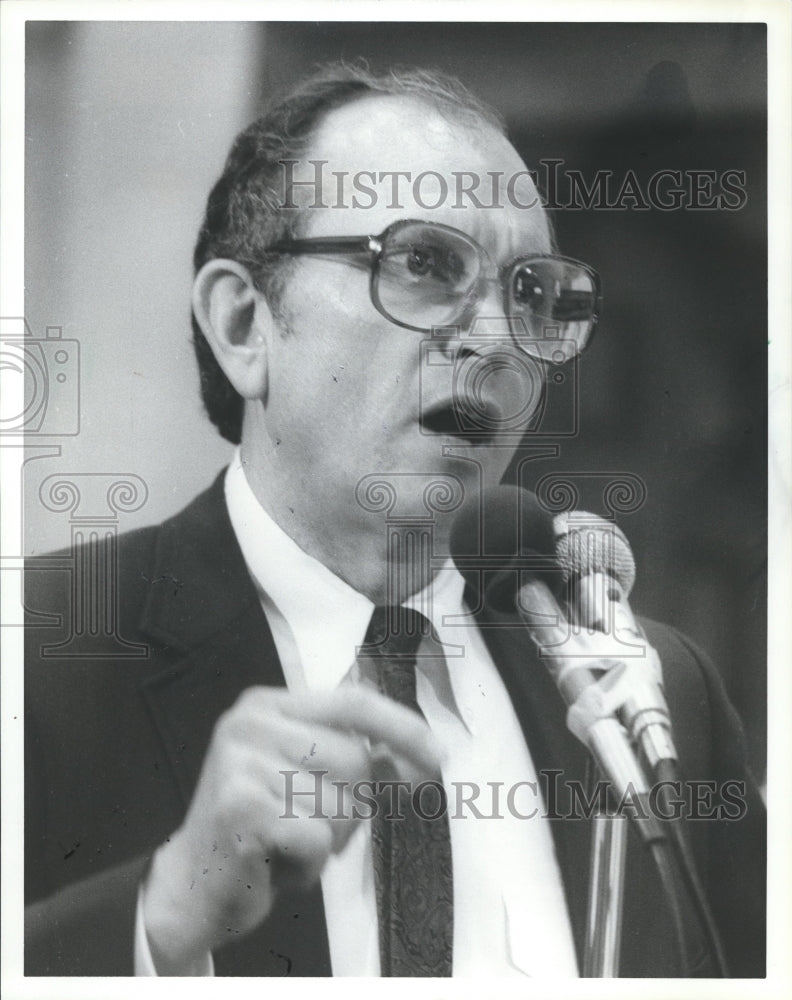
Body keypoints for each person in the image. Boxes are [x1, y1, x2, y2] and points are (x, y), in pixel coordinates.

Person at [24, 64, 765, 978]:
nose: (494, 340)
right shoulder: (40, 658)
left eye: (534, 294)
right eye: (423, 264)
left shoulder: (659, 700)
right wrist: (158, 920)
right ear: (245, 323)